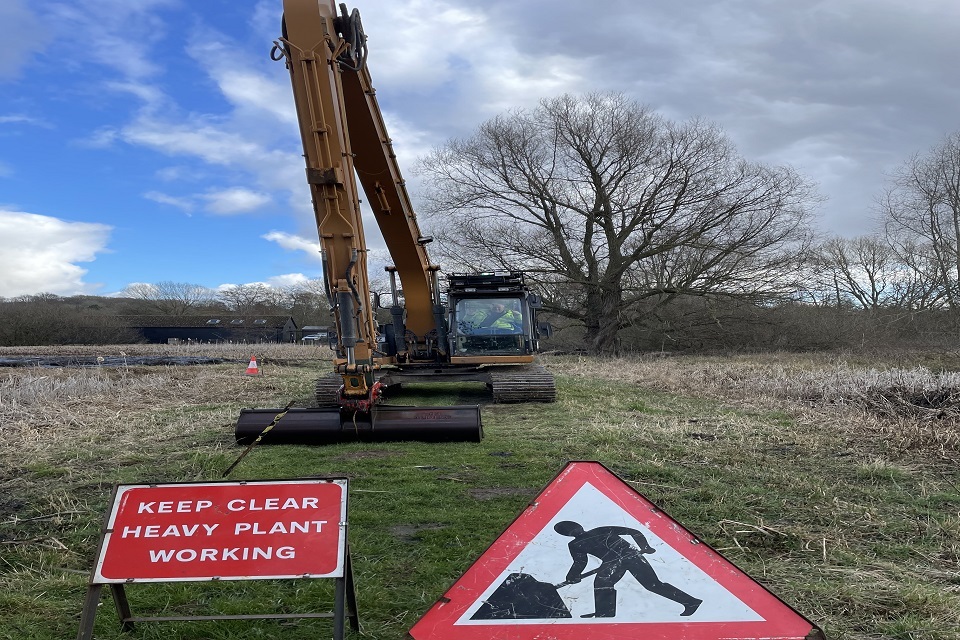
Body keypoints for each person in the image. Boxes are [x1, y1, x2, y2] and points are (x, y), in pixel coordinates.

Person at [554, 520, 702, 618]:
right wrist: (572, 576)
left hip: (628, 557)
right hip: (620, 560)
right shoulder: (591, 535)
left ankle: (691, 602)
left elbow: (580, 563)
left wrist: (573, 576)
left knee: (651, 584)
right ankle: (604, 613)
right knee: (603, 583)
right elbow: (580, 562)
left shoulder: (582, 540)